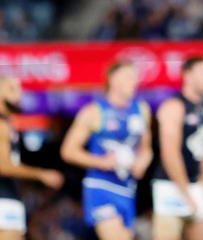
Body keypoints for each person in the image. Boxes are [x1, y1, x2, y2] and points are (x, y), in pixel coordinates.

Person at [61, 61, 153, 240]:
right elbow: (68, 151)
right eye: (128, 77)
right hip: (101, 187)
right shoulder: (94, 112)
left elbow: (146, 149)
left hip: (127, 188)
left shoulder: (141, 109)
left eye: (135, 78)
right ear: (113, 80)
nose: (134, 82)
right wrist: (101, 162)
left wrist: (143, 162)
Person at [0, 78, 65, 240]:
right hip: (1, 197)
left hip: (5, 194)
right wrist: (42, 174)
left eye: (18, 89)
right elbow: (4, 166)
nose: (19, 94)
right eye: (12, 89)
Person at [153, 56, 203, 240]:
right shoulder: (174, 106)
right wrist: (185, 193)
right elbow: (170, 153)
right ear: (188, 75)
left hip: (194, 186)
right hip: (170, 187)